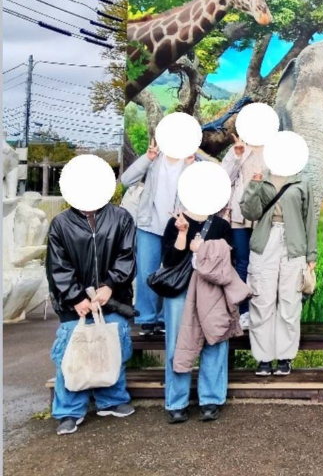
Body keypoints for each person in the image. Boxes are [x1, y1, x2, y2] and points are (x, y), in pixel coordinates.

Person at [45, 201, 137, 435]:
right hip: (74, 306)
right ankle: (69, 410)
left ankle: (112, 399)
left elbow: (127, 255)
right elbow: (57, 265)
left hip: (113, 299)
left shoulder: (121, 217)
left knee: (113, 349)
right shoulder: (61, 223)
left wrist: (111, 285)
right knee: (72, 354)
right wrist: (75, 297)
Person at [240, 168, 316, 376]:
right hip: (265, 243)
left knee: (289, 303)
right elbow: (250, 213)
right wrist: (254, 185)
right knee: (262, 301)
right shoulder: (262, 178)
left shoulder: (301, 180)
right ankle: (263, 359)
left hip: (294, 245)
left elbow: (309, 218)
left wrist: (311, 254)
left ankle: (285, 357)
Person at [161, 210, 234, 423]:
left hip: (212, 289)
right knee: (177, 343)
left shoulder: (221, 225)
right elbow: (168, 260)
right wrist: (182, 233)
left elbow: (228, 261)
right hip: (179, 290)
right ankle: (176, 402)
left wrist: (203, 249)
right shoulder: (175, 222)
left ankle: (210, 399)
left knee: (215, 339)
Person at [120, 140, 194, 335]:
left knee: (173, 271)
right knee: (146, 272)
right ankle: (146, 318)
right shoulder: (155, 158)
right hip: (149, 223)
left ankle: (165, 318)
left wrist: (190, 166)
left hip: (177, 226)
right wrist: (147, 157)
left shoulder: (191, 159)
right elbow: (126, 180)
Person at [221, 133, 265, 329]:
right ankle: (242, 310)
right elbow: (224, 178)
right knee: (242, 262)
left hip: (263, 215)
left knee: (262, 263)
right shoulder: (238, 148)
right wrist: (237, 155)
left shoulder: (273, 149)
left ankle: (261, 309)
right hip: (239, 215)